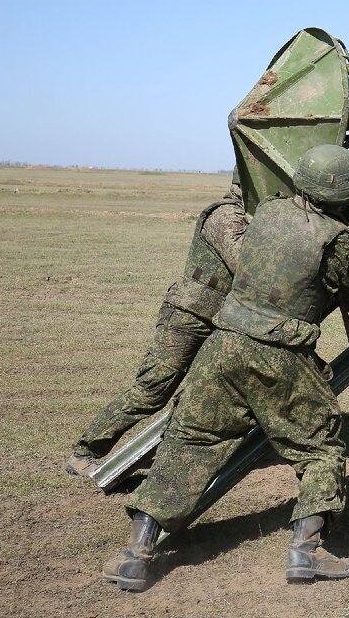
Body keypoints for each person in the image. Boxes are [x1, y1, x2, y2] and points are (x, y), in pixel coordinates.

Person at [102, 145, 349, 592]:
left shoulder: (268, 213)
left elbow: (302, 233)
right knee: (320, 446)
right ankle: (306, 554)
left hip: (223, 347)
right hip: (280, 356)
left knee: (189, 441)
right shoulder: (336, 242)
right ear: (341, 192)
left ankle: (136, 556)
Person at [66, 171, 248, 476]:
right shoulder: (225, 215)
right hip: (188, 317)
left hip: (217, 318)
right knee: (153, 390)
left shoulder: (245, 217)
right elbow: (245, 263)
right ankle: (85, 450)